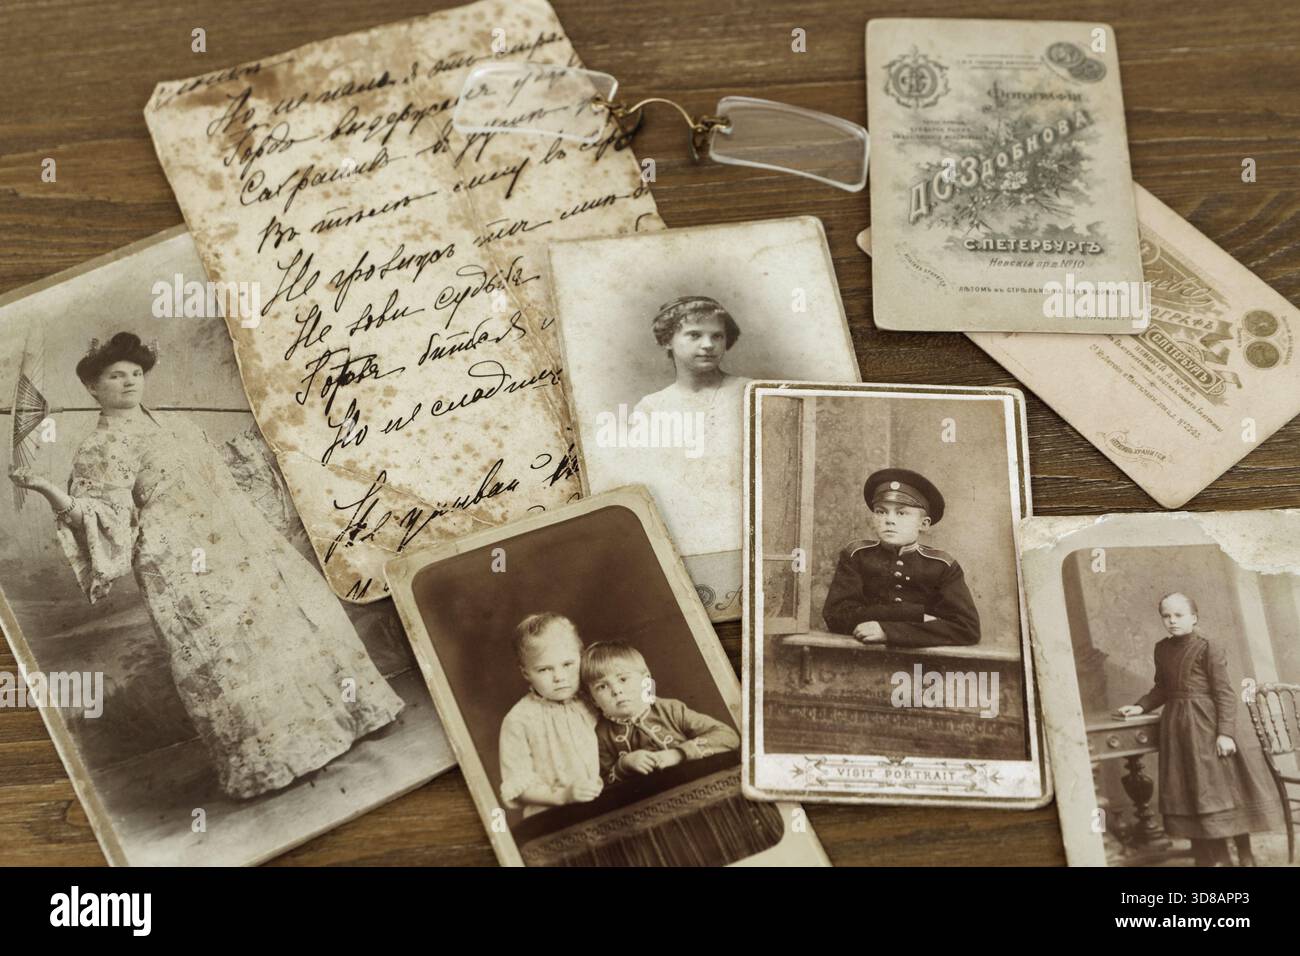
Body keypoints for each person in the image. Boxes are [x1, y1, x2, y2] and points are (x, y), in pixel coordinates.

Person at [9, 332, 404, 800]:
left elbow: (223, 471)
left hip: (241, 541)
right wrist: (48, 490)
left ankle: (356, 717)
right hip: (181, 564)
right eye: (115, 376)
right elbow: (101, 516)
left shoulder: (177, 422)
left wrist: (264, 430)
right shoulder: (100, 448)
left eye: (135, 373)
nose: (129, 382)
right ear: (92, 387)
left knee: (287, 626)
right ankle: (277, 760)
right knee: (231, 654)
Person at [1115, 592, 1284, 866]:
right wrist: (1141, 706)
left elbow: (1225, 693)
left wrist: (1225, 733)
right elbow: (1162, 688)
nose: (1172, 621)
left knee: (1225, 790)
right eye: (1166, 616)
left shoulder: (1208, 647)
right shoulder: (1162, 649)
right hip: (1178, 729)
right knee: (1193, 790)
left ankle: (1244, 854)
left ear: (1194, 617)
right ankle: (1214, 857)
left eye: (1178, 615)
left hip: (1208, 725)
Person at [822, 468, 981, 647]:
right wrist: (915, 614)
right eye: (881, 512)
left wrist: (888, 631)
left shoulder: (943, 566)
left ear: (923, 524)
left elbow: (967, 629)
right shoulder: (856, 556)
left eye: (901, 513)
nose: (889, 520)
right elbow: (836, 616)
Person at [581, 641, 739, 783]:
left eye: (623, 679)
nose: (616, 690)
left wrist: (678, 754)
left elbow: (728, 736)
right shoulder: (601, 735)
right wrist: (623, 765)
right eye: (602, 686)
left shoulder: (670, 709)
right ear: (593, 700)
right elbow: (601, 783)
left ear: (646, 682)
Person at [497, 613, 603, 817]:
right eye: (545, 669)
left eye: (568, 664)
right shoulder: (519, 720)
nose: (559, 677)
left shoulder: (594, 698)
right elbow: (518, 786)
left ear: (581, 657)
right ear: (526, 673)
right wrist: (563, 796)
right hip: (554, 816)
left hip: (605, 805)